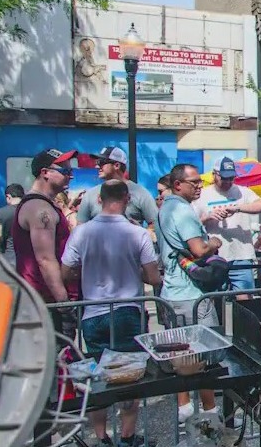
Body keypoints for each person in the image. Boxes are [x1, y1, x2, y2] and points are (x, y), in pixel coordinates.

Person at [61, 180, 161, 447]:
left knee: (98, 379)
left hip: (92, 312)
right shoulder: (136, 233)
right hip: (129, 309)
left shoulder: (81, 233)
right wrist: (133, 269)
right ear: (126, 199)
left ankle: (102, 437)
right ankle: (127, 437)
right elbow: (153, 277)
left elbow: (65, 272)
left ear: (99, 200)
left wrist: (87, 272)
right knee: (131, 374)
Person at [156, 163, 222, 422]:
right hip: (191, 295)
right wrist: (214, 243)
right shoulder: (182, 210)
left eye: (200, 182)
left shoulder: (167, 207)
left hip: (174, 293)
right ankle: (210, 418)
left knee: (182, 360)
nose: (199, 186)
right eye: (194, 182)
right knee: (202, 359)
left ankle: (186, 414)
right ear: (177, 184)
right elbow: (198, 250)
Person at [12, 149, 80, 339]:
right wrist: (64, 305)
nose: (71, 176)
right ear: (45, 173)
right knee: (53, 363)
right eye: (65, 172)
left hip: (43, 302)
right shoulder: (40, 208)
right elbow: (45, 259)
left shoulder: (44, 206)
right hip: (45, 304)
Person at [193, 157, 261, 291]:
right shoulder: (202, 195)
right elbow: (191, 224)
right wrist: (207, 218)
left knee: (244, 299)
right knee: (214, 298)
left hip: (241, 254)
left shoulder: (242, 191)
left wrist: (237, 208)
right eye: (224, 178)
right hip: (214, 257)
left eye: (231, 178)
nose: (228, 182)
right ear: (214, 175)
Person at [76, 146, 158, 226]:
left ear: (117, 165)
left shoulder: (140, 193)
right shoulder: (90, 194)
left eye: (101, 162)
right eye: (97, 163)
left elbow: (154, 224)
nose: (97, 166)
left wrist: (141, 236)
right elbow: (80, 226)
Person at [0, 183, 24, 265]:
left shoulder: (0, 213)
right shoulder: (30, 210)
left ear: (8, 197)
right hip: (28, 259)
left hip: (10, 259)